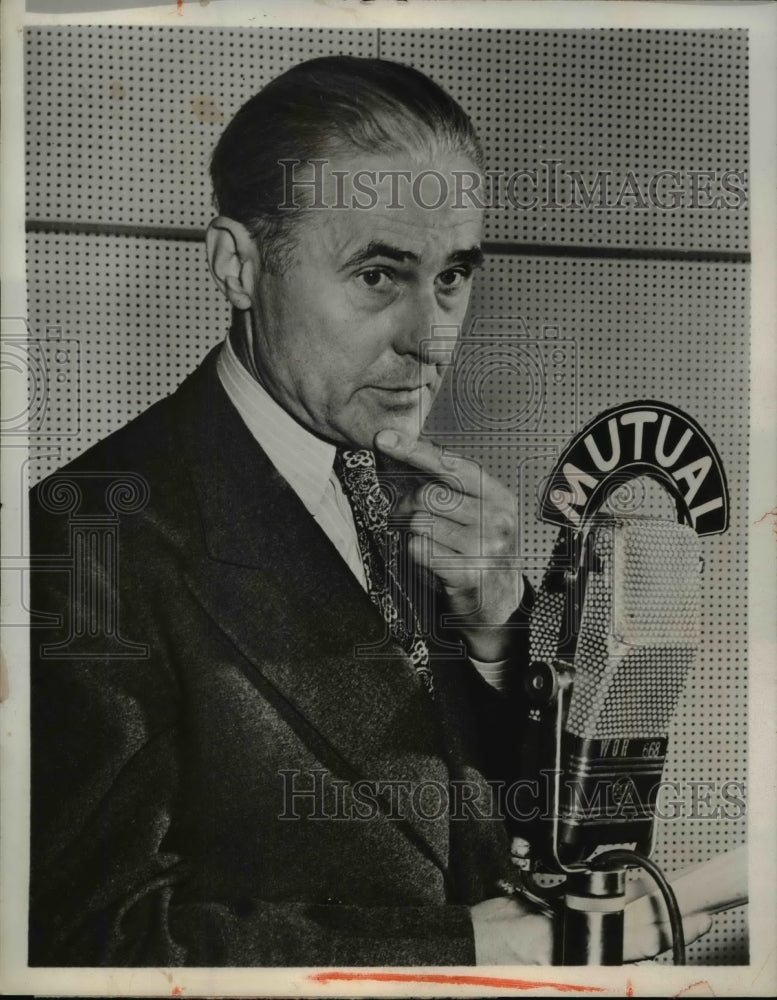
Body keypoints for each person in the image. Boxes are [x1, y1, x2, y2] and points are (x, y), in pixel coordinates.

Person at [28, 55, 709, 968]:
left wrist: (499, 634)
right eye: (379, 276)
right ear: (238, 264)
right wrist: (461, 949)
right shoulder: (87, 540)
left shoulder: (401, 486)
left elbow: (494, 829)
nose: (431, 339)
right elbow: (82, 945)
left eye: (452, 277)